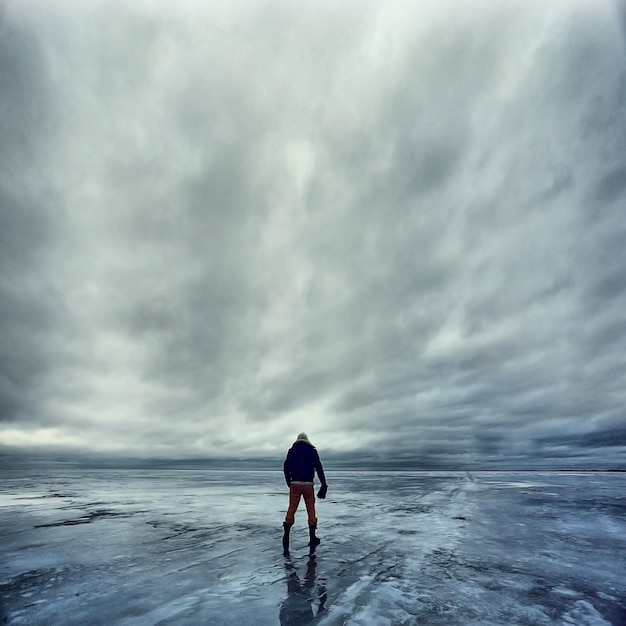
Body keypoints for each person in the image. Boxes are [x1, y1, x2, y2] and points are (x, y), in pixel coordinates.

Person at [282, 432, 328, 555]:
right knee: (311, 509)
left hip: (295, 484)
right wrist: (324, 484)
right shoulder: (312, 451)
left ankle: (286, 534)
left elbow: (286, 467)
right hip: (308, 485)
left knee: (291, 509)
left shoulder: (292, 450)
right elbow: (319, 468)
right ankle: (312, 537)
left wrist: (289, 482)